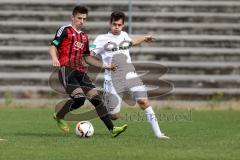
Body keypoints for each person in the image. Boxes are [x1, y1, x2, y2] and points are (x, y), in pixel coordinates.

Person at [49, 6, 127, 137]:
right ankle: (59, 115)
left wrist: (106, 66)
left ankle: (112, 129)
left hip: (80, 72)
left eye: (84, 19)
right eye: (79, 18)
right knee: (79, 100)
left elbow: (87, 58)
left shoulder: (84, 37)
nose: (81, 21)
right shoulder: (65, 30)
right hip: (66, 70)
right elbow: (53, 46)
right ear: (73, 17)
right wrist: (54, 58)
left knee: (96, 100)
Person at [90, 11, 169, 139]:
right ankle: (102, 112)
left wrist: (144, 38)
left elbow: (132, 41)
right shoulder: (101, 39)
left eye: (119, 25)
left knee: (143, 101)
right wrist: (105, 65)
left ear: (123, 25)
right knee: (114, 116)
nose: (117, 27)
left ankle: (159, 134)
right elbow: (90, 56)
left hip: (130, 75)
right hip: (112, 79)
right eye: (114, 24)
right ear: (110, 23)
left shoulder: (124, 35)